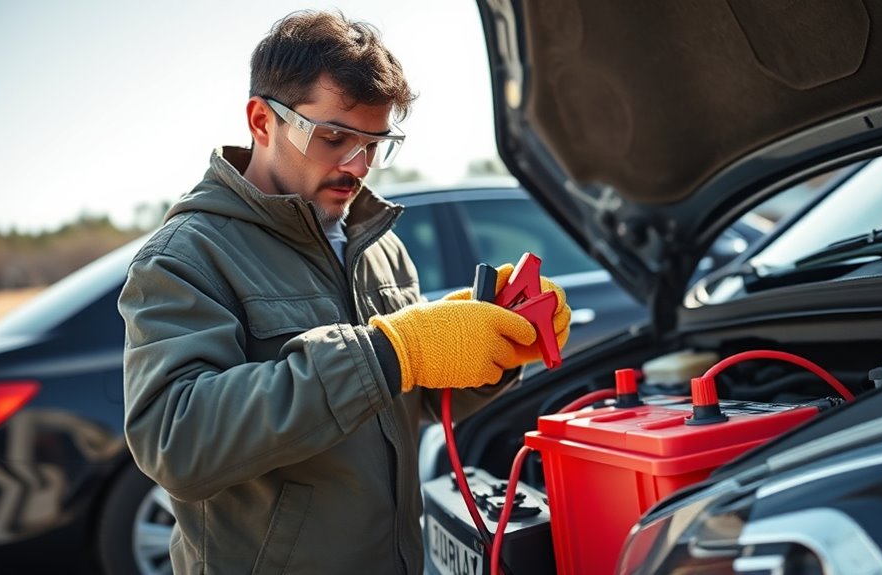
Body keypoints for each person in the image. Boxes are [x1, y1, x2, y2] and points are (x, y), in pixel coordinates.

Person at [118, 9, 570, 575]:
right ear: (262, 121)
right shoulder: (187, 256)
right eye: (334, 137)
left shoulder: (377, 244)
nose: (358, 165)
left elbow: (412, 403)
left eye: (375, 143)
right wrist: (391, 351)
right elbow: (176, 442)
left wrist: (495, 348)